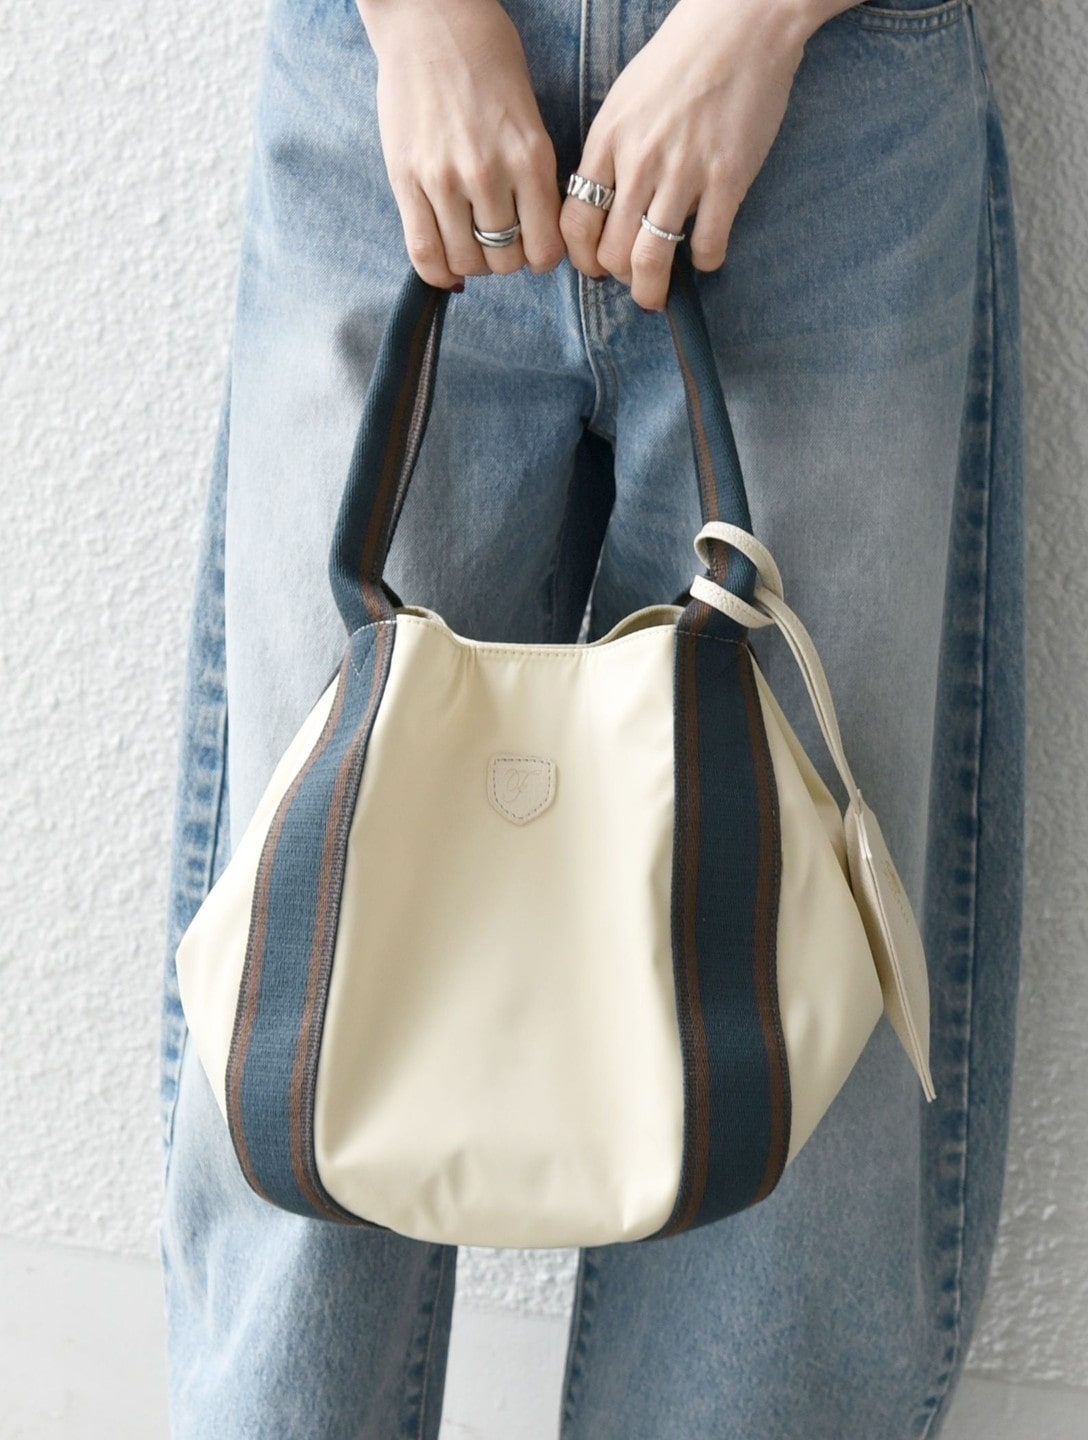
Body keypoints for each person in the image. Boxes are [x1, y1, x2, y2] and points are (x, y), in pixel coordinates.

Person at [158, 0, 1025, 1434]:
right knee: (308, 1007)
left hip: (824, 111)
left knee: (791, 1036)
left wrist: (756, 25)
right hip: (395, 94)